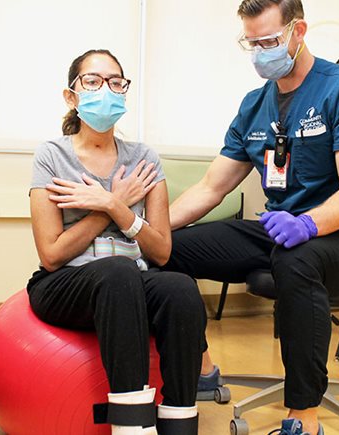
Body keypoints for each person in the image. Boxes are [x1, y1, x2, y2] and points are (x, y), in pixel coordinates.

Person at [163, 1, 339, 434]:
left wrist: (307, 224)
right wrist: (146, 230)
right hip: (280, 232)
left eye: (269, 41)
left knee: (296, 259)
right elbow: (212, 187)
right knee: (167, 249)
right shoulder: (254, 106)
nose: (261, 51)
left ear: (298, 30)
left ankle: (303, 415)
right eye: (253, 43)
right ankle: (203, 367)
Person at [27, 49, 205, 435]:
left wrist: (112, 204)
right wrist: (110, 208)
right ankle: (132, 428)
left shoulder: (143, 158)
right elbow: (52, 254)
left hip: (130, 281)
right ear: (71, 96)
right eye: (92, 81)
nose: (105, 90)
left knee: (180, 287)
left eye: (115, 82)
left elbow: (161, 251)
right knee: (117, 272)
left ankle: (179, 419)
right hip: (66, 285)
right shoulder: (51, 156)